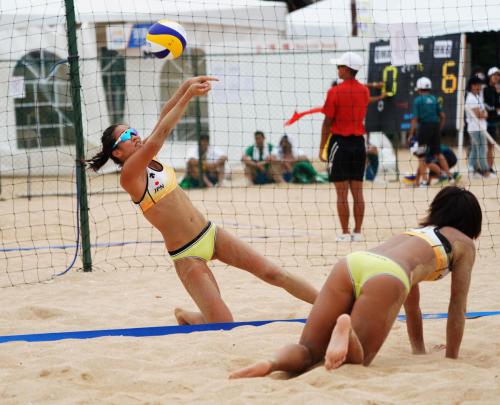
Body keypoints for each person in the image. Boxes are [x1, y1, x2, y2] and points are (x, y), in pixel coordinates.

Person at [86, 76, 318, 325]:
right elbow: (161, 134)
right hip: (187, 255)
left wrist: (184, 85)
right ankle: (189, 316)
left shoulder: (148, 156)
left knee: (273, 273)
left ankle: (334, 304)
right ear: (117, 153)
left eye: (133, 131)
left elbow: (163, 119)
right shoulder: (129, 175)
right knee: (224, 324)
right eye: (126, 137)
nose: (134, 136)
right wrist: (188, 97)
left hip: (211, 233)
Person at [229, 186, 482, 379]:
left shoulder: (416, 234)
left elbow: (412, 304)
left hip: (353, 263)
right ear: (472, 222)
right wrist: (452, 357)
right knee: (356, 361)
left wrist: (420, 350)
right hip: (390, 275)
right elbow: (457, 306)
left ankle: (272, 363)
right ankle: (346, 329)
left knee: (307, 350)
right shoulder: (464, 244)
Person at [320, 52, 370, 242]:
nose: (337, 69)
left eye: (340, 66)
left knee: (341, 192)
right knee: (357, 191)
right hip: (359, 143)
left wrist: (322, 147)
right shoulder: (364, 91)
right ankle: (357, 232)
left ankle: (344, 233)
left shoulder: (334, 92)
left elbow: (327, 122)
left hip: (339, 143)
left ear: (348, 69)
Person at [408, 77, 452, 187]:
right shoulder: (434, 99)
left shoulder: (418, 100)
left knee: (421, 156)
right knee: (438, 154)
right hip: (435, 126)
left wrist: (411, 133)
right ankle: (450, 177)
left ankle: (424, 182)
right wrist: (438, 128)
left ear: (419, 88)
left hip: (424, 128)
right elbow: (442, 116)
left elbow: (414, 118)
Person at [465, 77, 490, 178]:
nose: (479, 87)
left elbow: (484, 112)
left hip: (480, 127)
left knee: (475, 149)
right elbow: (480, 115)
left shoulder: (478, 97)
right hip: (476, 128)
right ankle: (485, 171)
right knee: (482, 149)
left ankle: (472, 170)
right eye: (477, 85)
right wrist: (484, 114)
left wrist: (484, 113)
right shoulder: (471, 98)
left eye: (480, 85)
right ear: (472, 86)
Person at [483, 67, 500, 174]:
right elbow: (484, 105)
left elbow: (497, 106)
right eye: (494, 75)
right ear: (490, 76)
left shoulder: (497, 89)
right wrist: (493, 109)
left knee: (491, 145)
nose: (497, 77)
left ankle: (489, 168)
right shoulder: (484, 88)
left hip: (493, 121)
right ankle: (480, 168)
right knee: (480, 145)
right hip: (483, 121)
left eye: (498, 75)